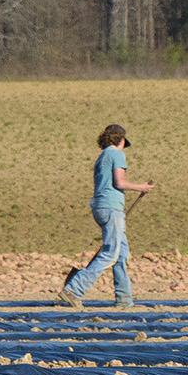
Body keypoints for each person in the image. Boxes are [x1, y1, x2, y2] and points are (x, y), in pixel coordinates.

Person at [58, 124, 152, 309]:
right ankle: (73, 290)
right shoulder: (117, 154)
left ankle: (124, 300)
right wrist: (141, 187)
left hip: (102, 207)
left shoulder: (102, 156)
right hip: (111, 208)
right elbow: (119, 182)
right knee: (110, 253)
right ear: (121, 140)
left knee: (121, 254)